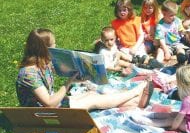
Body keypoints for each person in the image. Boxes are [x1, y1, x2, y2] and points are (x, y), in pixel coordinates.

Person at [16, 28, 152, 110]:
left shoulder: (43, 64)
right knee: (93, 101)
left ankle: (135, 102)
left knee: (92, 95)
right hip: (45, 116)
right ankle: (135, 93)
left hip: (51, 109)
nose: (56, 47)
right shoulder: (29, 74)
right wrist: (69, 82)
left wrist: (78, 78)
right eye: (53, 45)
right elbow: (50, 103)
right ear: (43, 49)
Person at [130, 64, 190, 133]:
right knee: (173, 114)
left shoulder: (189, 100)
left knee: (171, 119)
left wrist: (172, 128)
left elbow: (178, 120)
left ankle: (147, 121)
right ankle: (150, 115)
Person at [111, 0, 163, 69]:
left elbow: (141, 35)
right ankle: (139, 64)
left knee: (141, 55)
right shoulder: (115, 23)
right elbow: (114, 38)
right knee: (127, 57)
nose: (122, 12)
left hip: (137, 45)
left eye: (124, 10)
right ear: (116, 11)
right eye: (120, 10)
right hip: (125, 47)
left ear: (129, 10)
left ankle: (150, 63)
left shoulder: (135, 20)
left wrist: (135, 47)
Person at [154, 0, 188, 65]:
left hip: (177, 43)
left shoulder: (177, 20)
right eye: (171, 15)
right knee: (160, 51)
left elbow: (181, 31)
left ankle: (181, 60)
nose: (174, 17)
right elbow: (161, 39)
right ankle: (157, 63)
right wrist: (166, 51)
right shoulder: (160, 25)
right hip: (167, 45)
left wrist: (184, 33)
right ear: (164, 14)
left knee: (180, 50)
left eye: (175, 14)